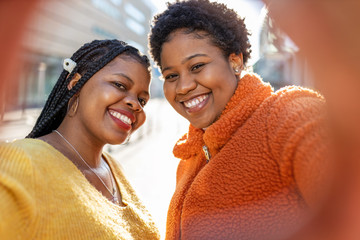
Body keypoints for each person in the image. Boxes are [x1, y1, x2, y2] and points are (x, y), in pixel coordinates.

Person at [148, 0, 332, 239]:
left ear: (235, 61)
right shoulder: (189, 157)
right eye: (171, 75)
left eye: (197, 66)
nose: (183, 86)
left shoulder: (287, 115)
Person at [0, 39, 160, 239]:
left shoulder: (114, 169)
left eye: (142, 100)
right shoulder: (20, 164)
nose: (135, 104)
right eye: (119, 85)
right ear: (76, 86)